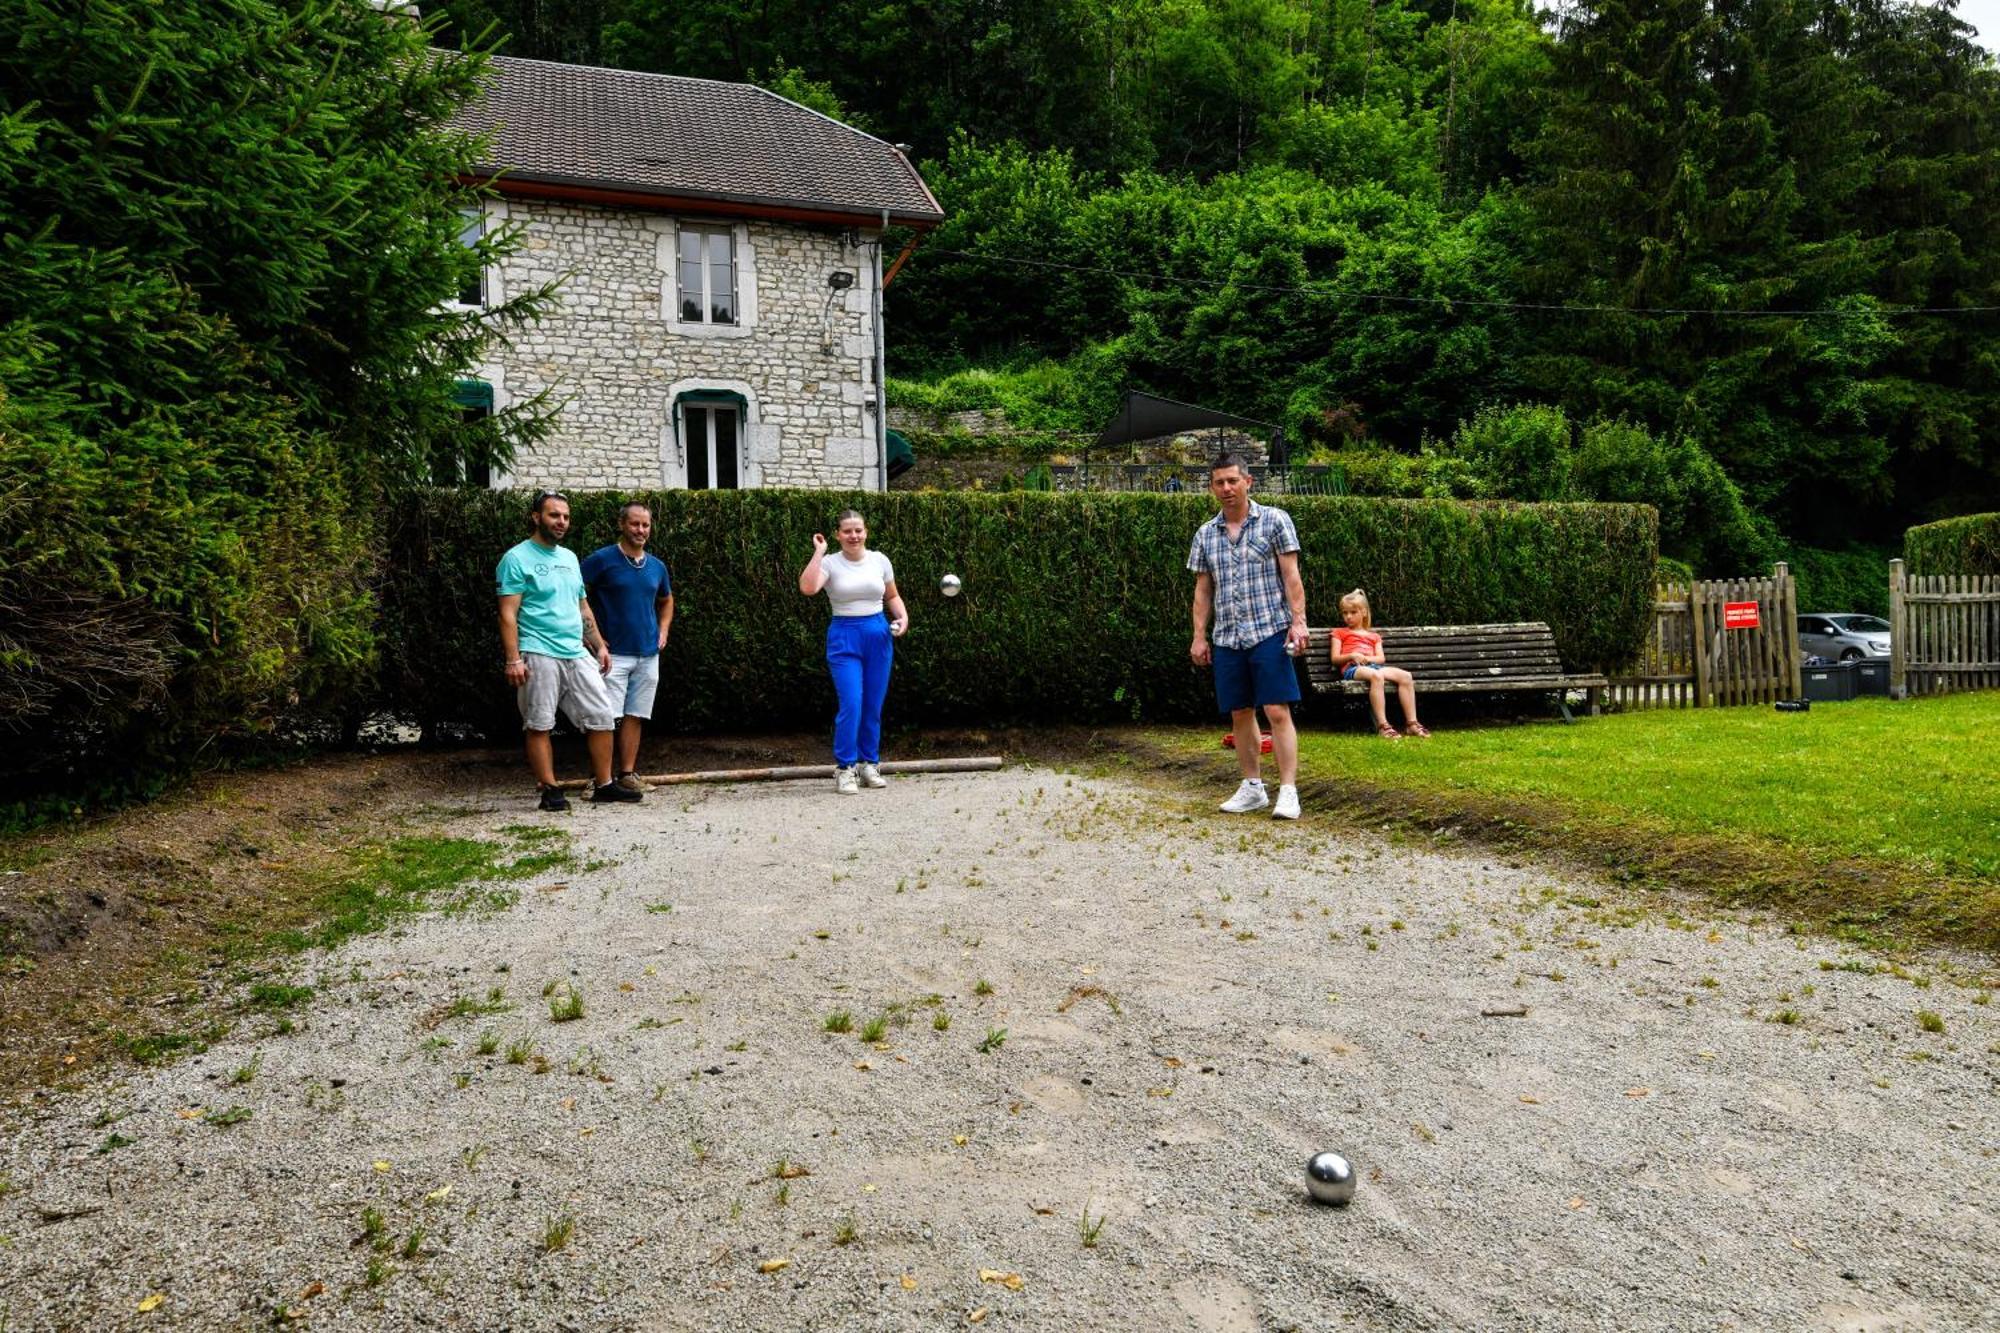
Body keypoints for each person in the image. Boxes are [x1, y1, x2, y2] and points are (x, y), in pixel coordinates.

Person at [496, 491, 640, 811]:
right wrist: (513, 658)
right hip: (537, 651)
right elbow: (507, 613)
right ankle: (550, 789)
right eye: (553, 515)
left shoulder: (570, 558)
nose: (561, 522)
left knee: (603, 716)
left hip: (576, 652)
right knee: (540, 722)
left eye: (565, 517)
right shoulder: (516, 559)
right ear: (536, 517)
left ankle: (604, 785)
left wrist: (599, 645)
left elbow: (583, 606)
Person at [1188, 454, 1308, 820]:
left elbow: (1291, 576)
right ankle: (1253, 787)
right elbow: (1203, 591)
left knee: (1276, 709)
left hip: (1269, 629)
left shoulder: (1274, 520)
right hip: (1227, 636)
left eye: (1232, 481)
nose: (1226, 488)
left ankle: (1288, 791)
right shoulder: (1206, 534)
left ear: (1248, 482)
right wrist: (1199, 636)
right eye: (1219, 483)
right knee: (1240, 712)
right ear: (1212, 487)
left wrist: (1298, 622)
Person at [798, 509, 907, 795]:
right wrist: (819, 552)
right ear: (838, 535)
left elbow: (892, 596)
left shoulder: (880, 560)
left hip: (878, 633)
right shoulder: (831, 563)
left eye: (858, 530)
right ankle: (845, 767)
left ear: (866, 532)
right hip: (844, 636)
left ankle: (869, 764)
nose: (853, 536)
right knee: (852, 703)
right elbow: (808, 588)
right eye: (847, 531)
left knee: (873, 704)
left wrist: (902, 618)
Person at [581, 500, 675, 794]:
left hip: (647, 654)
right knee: (604, 717)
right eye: (635, 524)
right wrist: (589, 636)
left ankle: (627, 774)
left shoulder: (657, 566)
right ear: (622, 524)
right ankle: (600, 779)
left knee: (636, 714)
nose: (640, 530)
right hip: (612, 654)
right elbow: (575, 595)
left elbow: (666, 600)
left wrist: (663, 629)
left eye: (645, 524)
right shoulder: (601, 560)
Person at [1331, 588, 1430, 739]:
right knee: (1377, 676)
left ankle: (1412, 723)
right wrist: (1352, 655)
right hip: (1352, 669)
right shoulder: (1339, 633)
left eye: (1352, 612)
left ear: (1363, 612)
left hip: (1373, 667)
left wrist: (1367, 658)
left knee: (1406, 676)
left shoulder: (1374, 636)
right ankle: (1383, 726)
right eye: (1345, 613)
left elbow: (1380, 658)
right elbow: (1335, 658)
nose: (1348, 617)